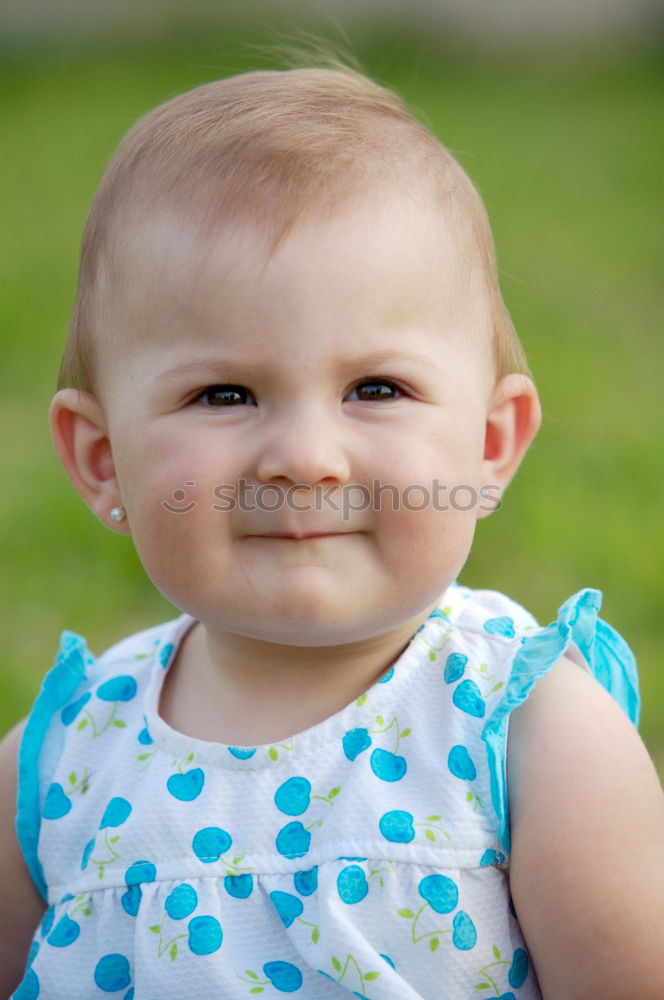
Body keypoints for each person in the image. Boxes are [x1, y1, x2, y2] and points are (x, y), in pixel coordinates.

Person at [0, 63, 662, 1000]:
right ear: (104, 459)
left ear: (488, 443)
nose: (305, 458)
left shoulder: (529, 733)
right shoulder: (67, 753)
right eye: (222, 394)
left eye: (376, 389)